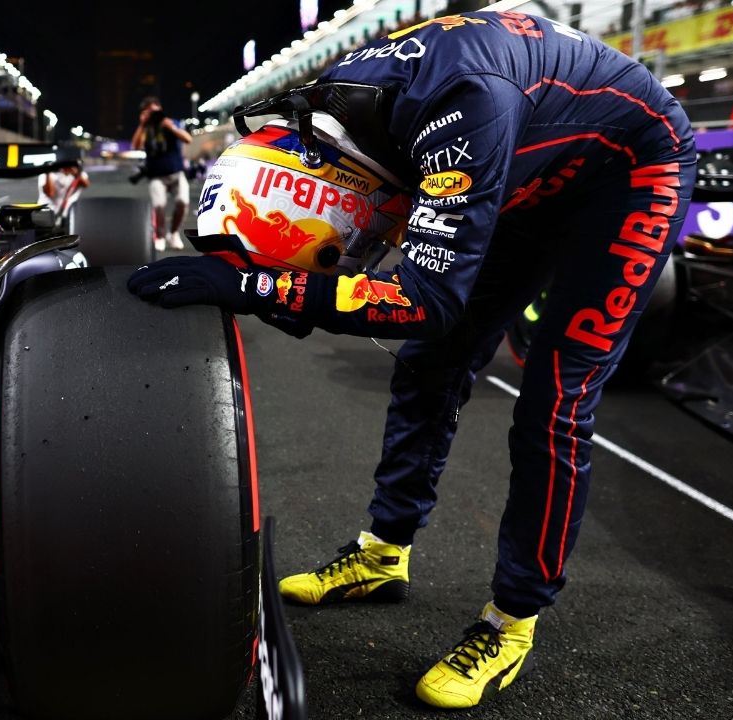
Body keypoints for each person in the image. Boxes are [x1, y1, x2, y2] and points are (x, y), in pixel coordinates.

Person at [127, 10, 695, 710]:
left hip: (631, 171)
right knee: (430, 365)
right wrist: (286, 282)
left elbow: (427, 298)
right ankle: (383, 551)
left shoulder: (459, 112)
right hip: (525, 150)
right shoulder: (336, 99)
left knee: (555, 405)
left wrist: (258, 285)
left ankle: (510, 621)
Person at [131, 96, 192, 251]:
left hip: (176, 172)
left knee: (183, 203)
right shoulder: (146, 129)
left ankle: (173, 234)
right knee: (159, 206)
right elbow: (135, 145)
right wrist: (142, 124)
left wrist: (171, 127)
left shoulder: (171, 123)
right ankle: (159, 236)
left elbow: (188, 139)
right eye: (148, 112)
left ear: (160, 109)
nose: (152, 115)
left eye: (154, 111)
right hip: (156, 175)